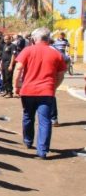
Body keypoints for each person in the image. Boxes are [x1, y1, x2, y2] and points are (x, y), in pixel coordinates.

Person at [13, 27, 67, 159]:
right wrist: (54, 86)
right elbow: (61, 74)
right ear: (48, 38)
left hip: (28, 90)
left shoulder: (27, 50)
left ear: (35, 39)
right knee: (45, 121)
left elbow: (18, 69)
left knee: (28, 116)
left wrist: (16, 86)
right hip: (46, 91)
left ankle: (28, 140)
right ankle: (42, 151)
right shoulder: (56, 53)